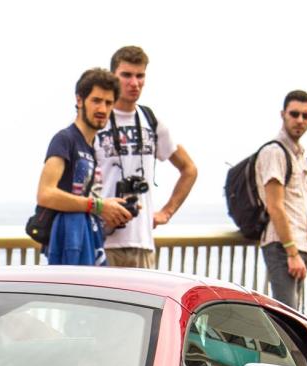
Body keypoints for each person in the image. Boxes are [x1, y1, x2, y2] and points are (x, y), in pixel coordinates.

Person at [94, 45, 198, 269]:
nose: (134, 83)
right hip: (102, 240)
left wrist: (166, 213)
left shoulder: (151, 120)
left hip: (142, 241)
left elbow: (189, 169)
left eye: (140, 76)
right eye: (127, 75)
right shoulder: (98, 120)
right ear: (113, 76)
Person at [36, 68, 132, 266]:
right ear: (80, 100)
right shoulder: (65, 139)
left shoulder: (90, 146)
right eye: (96, 100)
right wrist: (98, 205)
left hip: (88, 240)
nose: (102, 109)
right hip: (68, 243)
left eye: (108, 103)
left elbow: (83, 200)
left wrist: (109, 210)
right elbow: (45, 194)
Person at [256, 90, 307, 309]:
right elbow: (275, 205)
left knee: (291, 318)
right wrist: (291, 252)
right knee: (286, 318)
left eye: (306, 116)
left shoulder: (299, 154)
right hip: (282, 246)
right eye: (294, 114)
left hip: (299, 245)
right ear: (283, 114)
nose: (300, 120)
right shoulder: (275, 152)